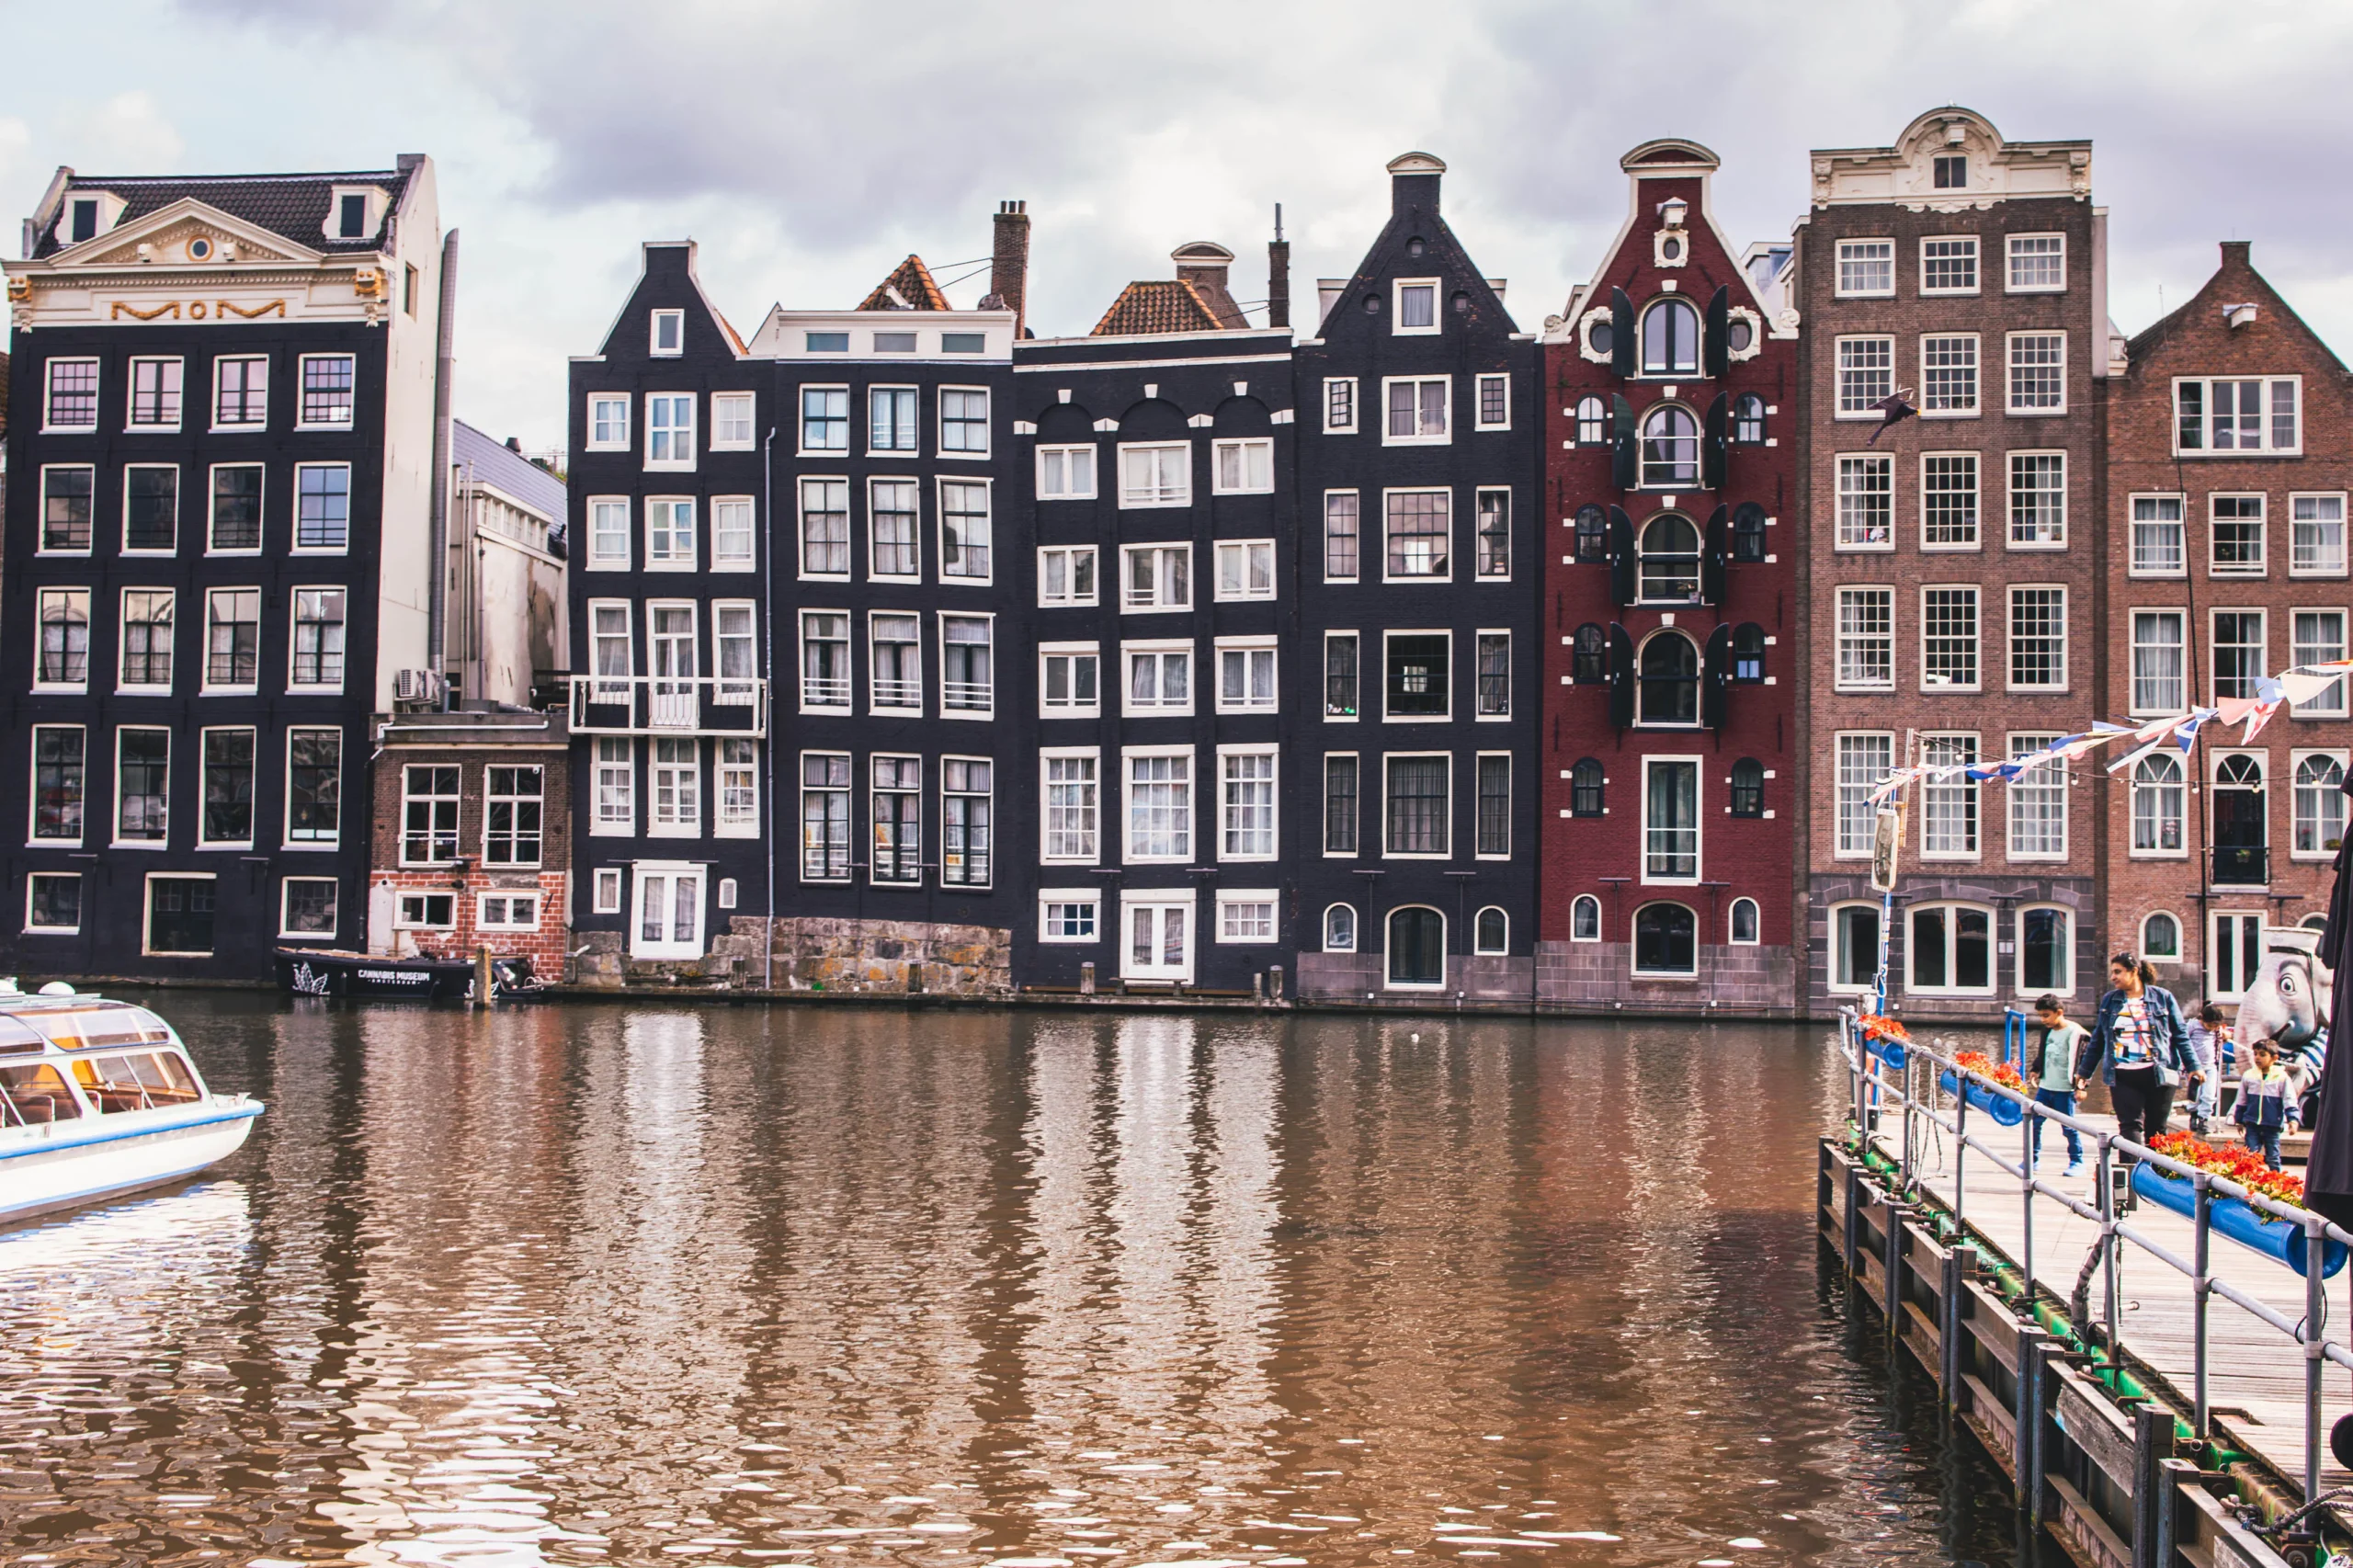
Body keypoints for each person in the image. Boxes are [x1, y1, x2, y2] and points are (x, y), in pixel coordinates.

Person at [2076, 951, 2201, 1151]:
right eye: (2112, 972)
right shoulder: (2111, 1000)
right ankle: (2131, 1175)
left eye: (2118, 972)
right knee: (2129, 1127)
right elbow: (2098, 1039)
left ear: (2134, 971)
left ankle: (2153, 1177)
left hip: (2158, 1073)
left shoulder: (2162, 997)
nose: (2113, 977)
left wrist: (2194, 1065)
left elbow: (2179, 1034)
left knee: (2157, 1131)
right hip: (2123, 1074)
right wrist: (2084, 1073)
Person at [2029, 992, 2088, 1174]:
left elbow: (2084, 1061)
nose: (2043, 1020)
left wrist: (2082, 1087)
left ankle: (2077, 1161)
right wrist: (2036, 1069)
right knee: (2035, 1122)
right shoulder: (2047, 1030)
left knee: (2069, 1127)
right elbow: (2042, 1051)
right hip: (2046, 1087)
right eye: (2040, 1016)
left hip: (2065, 1089)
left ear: (2059, 1012)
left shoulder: (2076, 1032)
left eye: (2046, 1015)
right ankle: (2032, 1159)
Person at [2236, 1039, 2298, 1171]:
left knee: (2273, 1157)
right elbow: (2242, 1099)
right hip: (2252, 1123)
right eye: (2256, 1054)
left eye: (2262, 1055)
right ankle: (2249, 1181)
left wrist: (2293, 1119)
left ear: (2274, 1058)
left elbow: (2289, 1098)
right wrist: (2239, 1119)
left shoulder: (2281, 1077)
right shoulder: (2249, 1075)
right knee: (2250, 1155)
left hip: (2272, 1125)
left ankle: (2276, 1182)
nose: (2257, 1058)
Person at [2185, 1003, 2230, 1135]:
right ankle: (2193, 1115)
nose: (2212, 1029)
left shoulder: (2216, 1030)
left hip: (2210, 1066)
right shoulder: (2192, 1026)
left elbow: (2228, 1034)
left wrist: (2226, 1035)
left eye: (2215, 1026)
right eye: (2210, 1025)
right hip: (2195, 1067)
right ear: (2202, 1019)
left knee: (2209, 1095)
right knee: (2196, 1095)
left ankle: (2203, 1119)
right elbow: (2182, 1038)